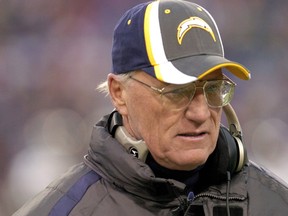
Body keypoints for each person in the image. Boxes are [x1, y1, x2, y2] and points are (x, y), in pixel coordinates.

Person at [13, 0, 288, 215]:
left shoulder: (276, 203)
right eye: (178, 92)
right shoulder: (59, 210)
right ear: (118, 93)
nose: (201, 113)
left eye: (214, 89)